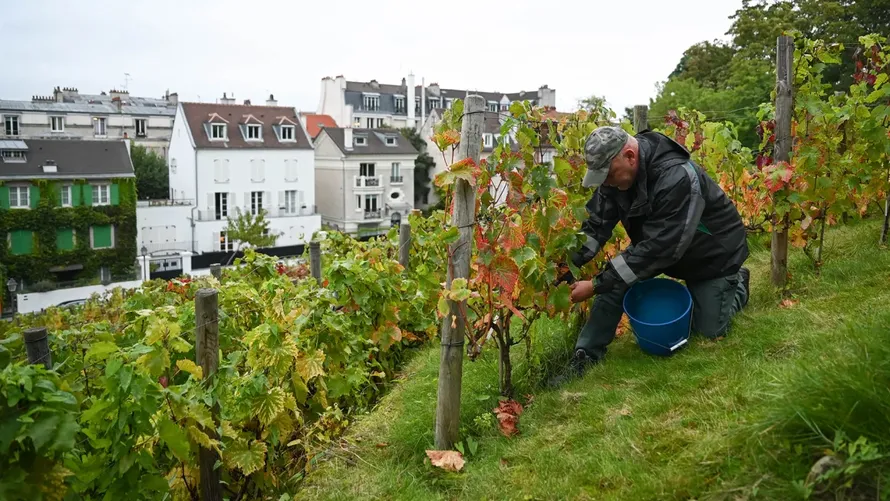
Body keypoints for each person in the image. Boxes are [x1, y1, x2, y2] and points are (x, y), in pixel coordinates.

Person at [556, 125, 751, 377]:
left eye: (609, 174)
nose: (606, 181)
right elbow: (595, 227)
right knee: (615, 281)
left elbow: (659, 249)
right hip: (664, 248)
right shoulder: (614, 180)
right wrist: (566, 264)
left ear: (629, 156)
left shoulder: (676, 177)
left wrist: (593, 284)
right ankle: (586, 355)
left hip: (712, 256)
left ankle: (738, 286)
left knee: (708, 332)